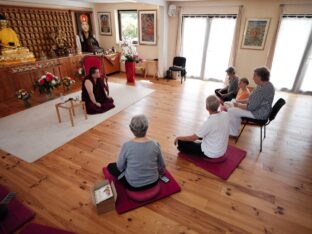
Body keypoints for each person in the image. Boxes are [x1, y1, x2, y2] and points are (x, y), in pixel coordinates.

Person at [107, 115, 166, 191]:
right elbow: (162, 165)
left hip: (133, 186)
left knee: (110, 166)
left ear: (131, 129)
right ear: (147, 127)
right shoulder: (155, 144)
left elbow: (120, 167)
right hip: (154, 181)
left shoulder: (126, 146)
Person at [227, 67, 275, 137]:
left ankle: (233, 133)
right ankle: (234, 130)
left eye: (255, 75)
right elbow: (250, 99)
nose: (253, 78)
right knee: (234, 104)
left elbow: (250, 107)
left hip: (259, 114)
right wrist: (238, 101)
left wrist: (238, 105)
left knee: (231, 111)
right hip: (259, 110)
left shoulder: (262, 89)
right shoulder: (265, 85)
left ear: (260, 77)